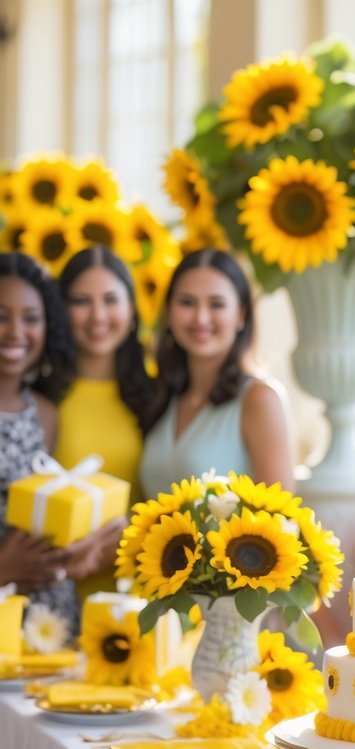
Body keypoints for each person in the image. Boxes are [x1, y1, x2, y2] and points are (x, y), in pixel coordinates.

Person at [139, 247, 294, 496]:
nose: (200, 318)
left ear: (241, 315)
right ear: (169, 310)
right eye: (187, 302)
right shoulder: (166, 396)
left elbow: (282, 515)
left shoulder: (259, 399)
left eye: (216, 304)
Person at [54, 246, 154, 592]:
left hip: (140, 598)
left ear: (131, 310)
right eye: (81, 301)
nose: (98, 315)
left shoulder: (156, 396)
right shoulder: (42, 399)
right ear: (61, 311)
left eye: (111, 299)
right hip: (55, 598)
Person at [0, 253, 77, 630]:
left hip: (48, 623)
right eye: (1, 316)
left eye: (31, 318)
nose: (16, 332)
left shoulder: (46, 414)